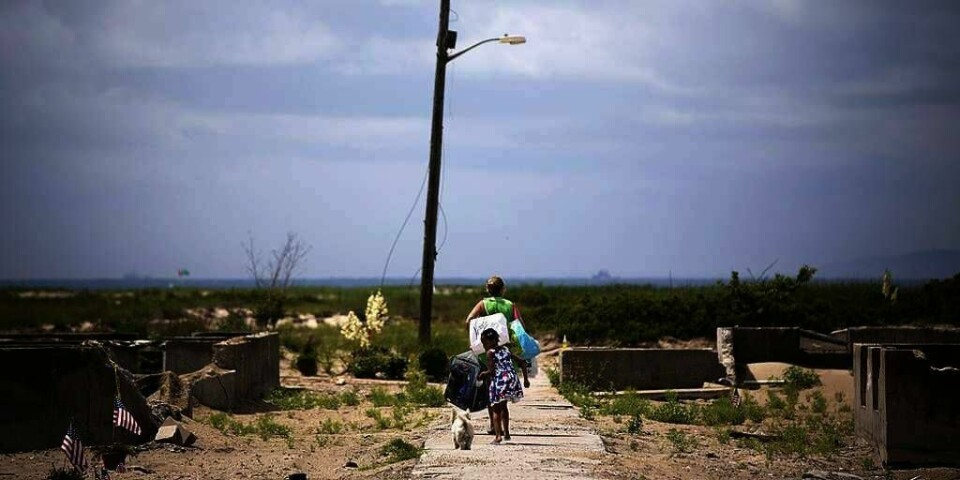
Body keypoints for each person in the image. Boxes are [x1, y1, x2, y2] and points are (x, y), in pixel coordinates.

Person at [465, 275, 530, 434]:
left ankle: (493, 425)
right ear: (503, 289)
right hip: (506, 349)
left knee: (490, 387)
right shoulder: (510, 305)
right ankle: (501, 422)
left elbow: (469, 320)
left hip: (486, 351)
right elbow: (520, 325)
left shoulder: (483, 304)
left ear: (488, 289)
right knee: (503, 383)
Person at [477, 328, 529, 444]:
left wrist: (482, 375)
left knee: (495, 409)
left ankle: (498, 436)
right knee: (504, 407)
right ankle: (507, 433)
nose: (484, 345)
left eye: (485, 342)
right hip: (511, 380)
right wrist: (525, 379)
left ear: (492, 341)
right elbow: (522, 362)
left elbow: (491, 371)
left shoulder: (490, 353)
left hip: (499, 381)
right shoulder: (506, 349)